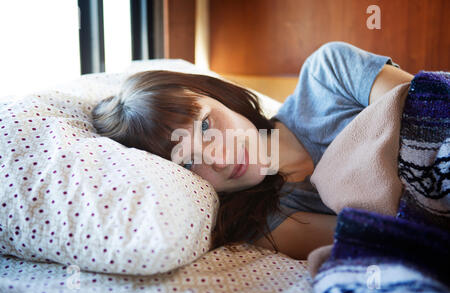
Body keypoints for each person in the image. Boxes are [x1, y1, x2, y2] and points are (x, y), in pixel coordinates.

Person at [92, 42, 414, 260]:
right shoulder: (262, 222)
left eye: (205, 125)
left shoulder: (328, 74)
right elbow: (394, 242)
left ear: (218, 95)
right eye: (189, 163)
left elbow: (432, 111)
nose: (220, 158)